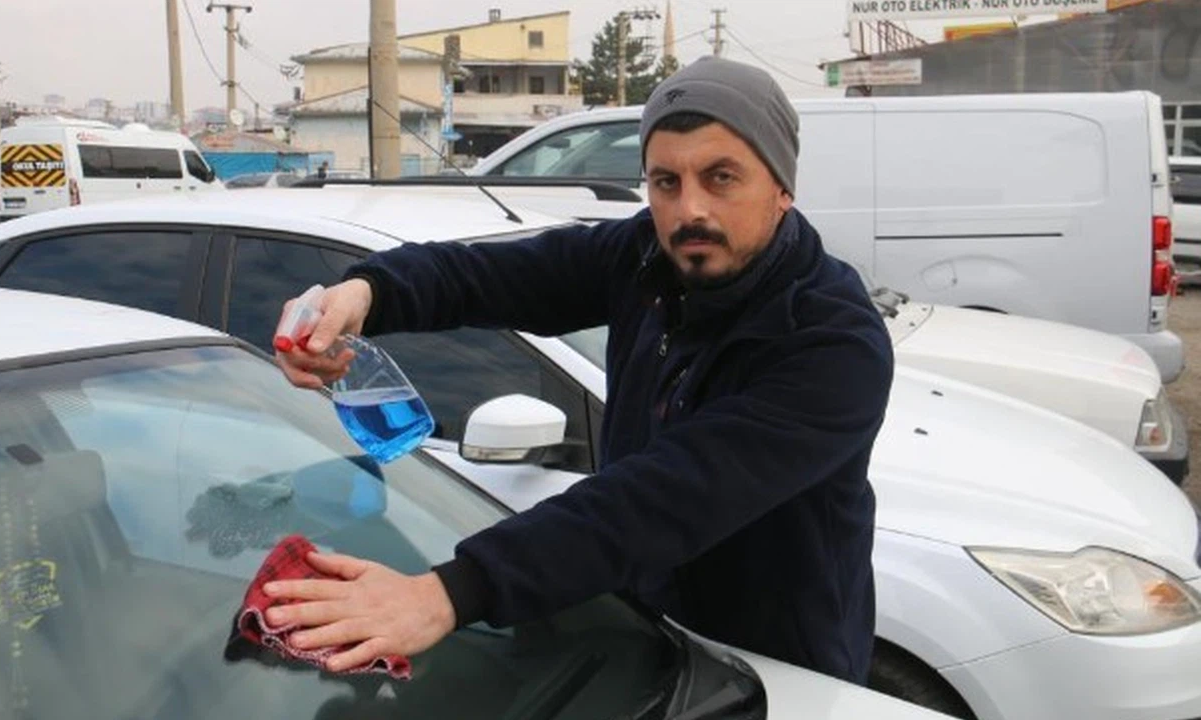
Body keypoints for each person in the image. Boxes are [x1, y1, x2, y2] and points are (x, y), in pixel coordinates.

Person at [264, 57, 894, 685]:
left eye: (721, 177)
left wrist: (446, 594)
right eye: (666, 181)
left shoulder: (835, 344)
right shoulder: (645, 257)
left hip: (779, 677)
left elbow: (662, 500)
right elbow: (489, 275)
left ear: (782, 187)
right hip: (650, 646)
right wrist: (366, 294)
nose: (689, 210)